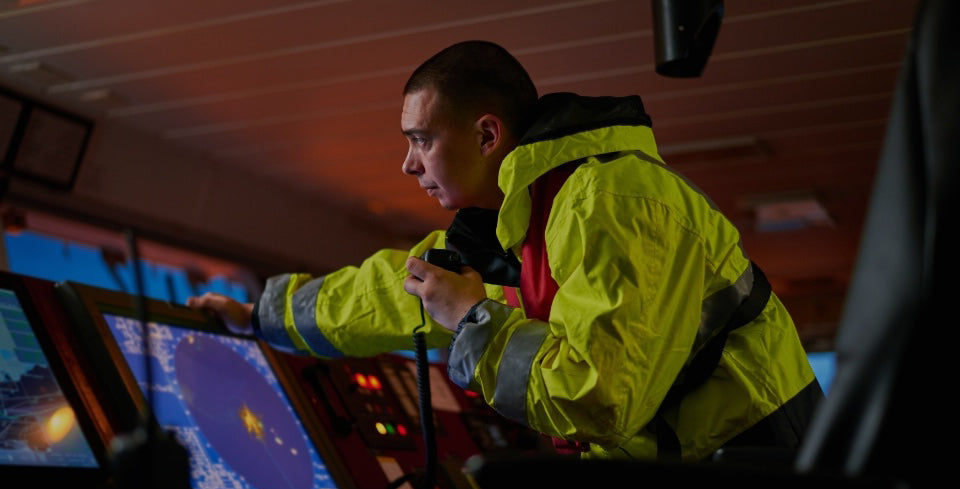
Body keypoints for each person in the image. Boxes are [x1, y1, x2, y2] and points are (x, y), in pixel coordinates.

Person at [188, 40, 821, 464]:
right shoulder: (515, 221)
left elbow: (597, 400)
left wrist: (473, 320)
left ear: (488, 133)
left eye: (420, 139)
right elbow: (391, 291)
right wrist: (258, 317)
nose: (407, 164)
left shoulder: (612, 200)